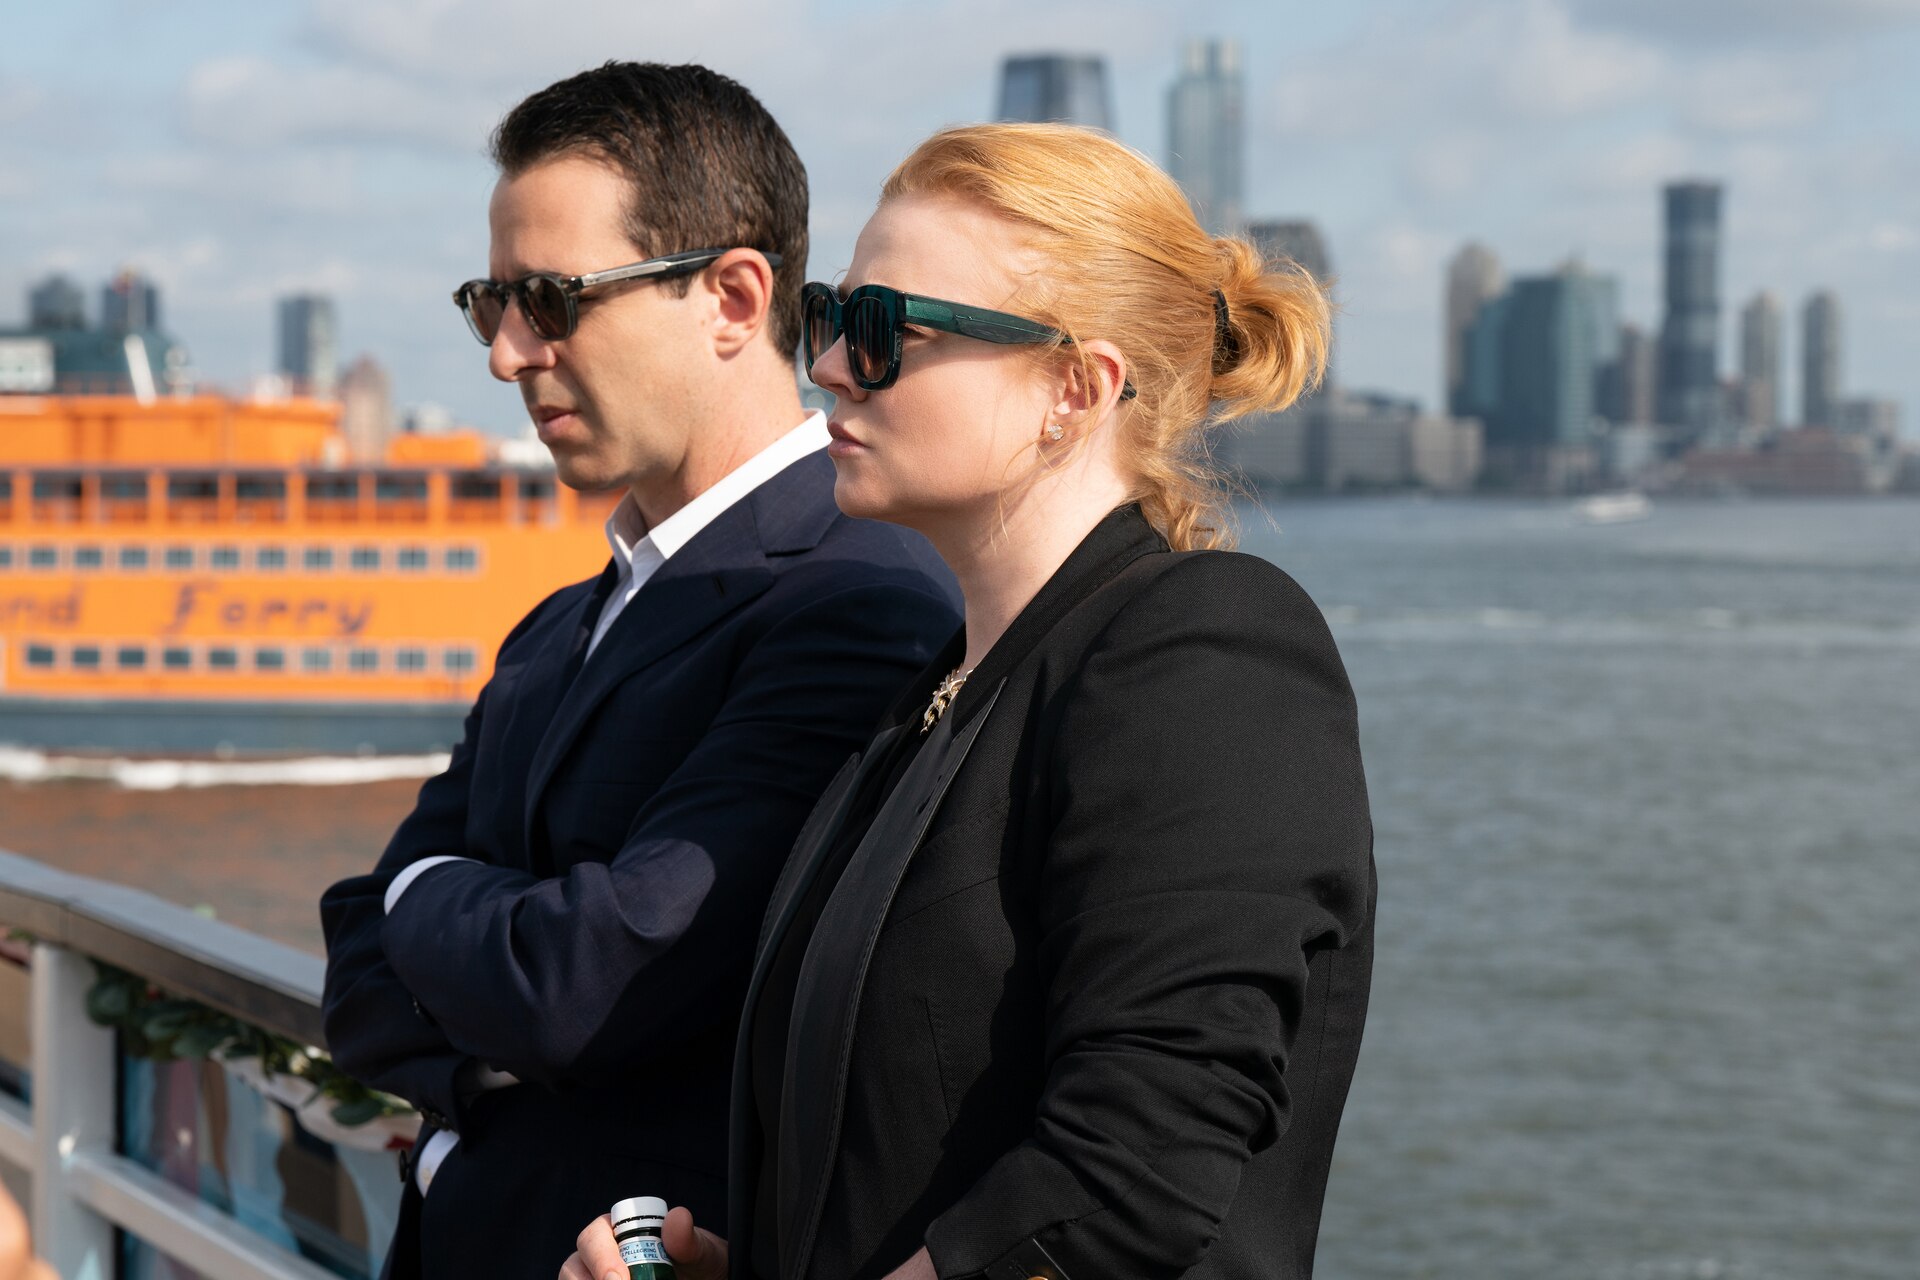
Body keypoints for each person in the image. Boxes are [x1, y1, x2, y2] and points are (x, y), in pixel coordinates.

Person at [564, 121, 1374, 1280]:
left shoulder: (1206, 650)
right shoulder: (931, 703)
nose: (831, 366)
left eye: (887, 331)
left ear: (1074, 388)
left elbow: (1132, 1176)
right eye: (833, 317)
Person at [318, 63, 958, 1280]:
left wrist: (422, 904)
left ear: (732, 295)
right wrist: (470, 1001)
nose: (508, 352)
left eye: (552, 298)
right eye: (490, 301)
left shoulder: (861, 596)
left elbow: (585, 984)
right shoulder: (564, 618)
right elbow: (353, 957)